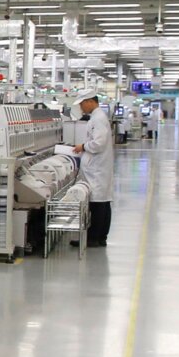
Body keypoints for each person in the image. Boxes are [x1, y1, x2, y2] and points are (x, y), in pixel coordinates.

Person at [73, 94, 115, 247]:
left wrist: (82, 147)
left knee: (97, 203)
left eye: (82, 104)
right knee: (103, 201)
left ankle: (93, 238)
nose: (81, 108)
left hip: (97, 168)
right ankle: (100, 237)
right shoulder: (98, 117)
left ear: (90, 102)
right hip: (98, 167)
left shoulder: (98, 119)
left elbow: (99, 143)